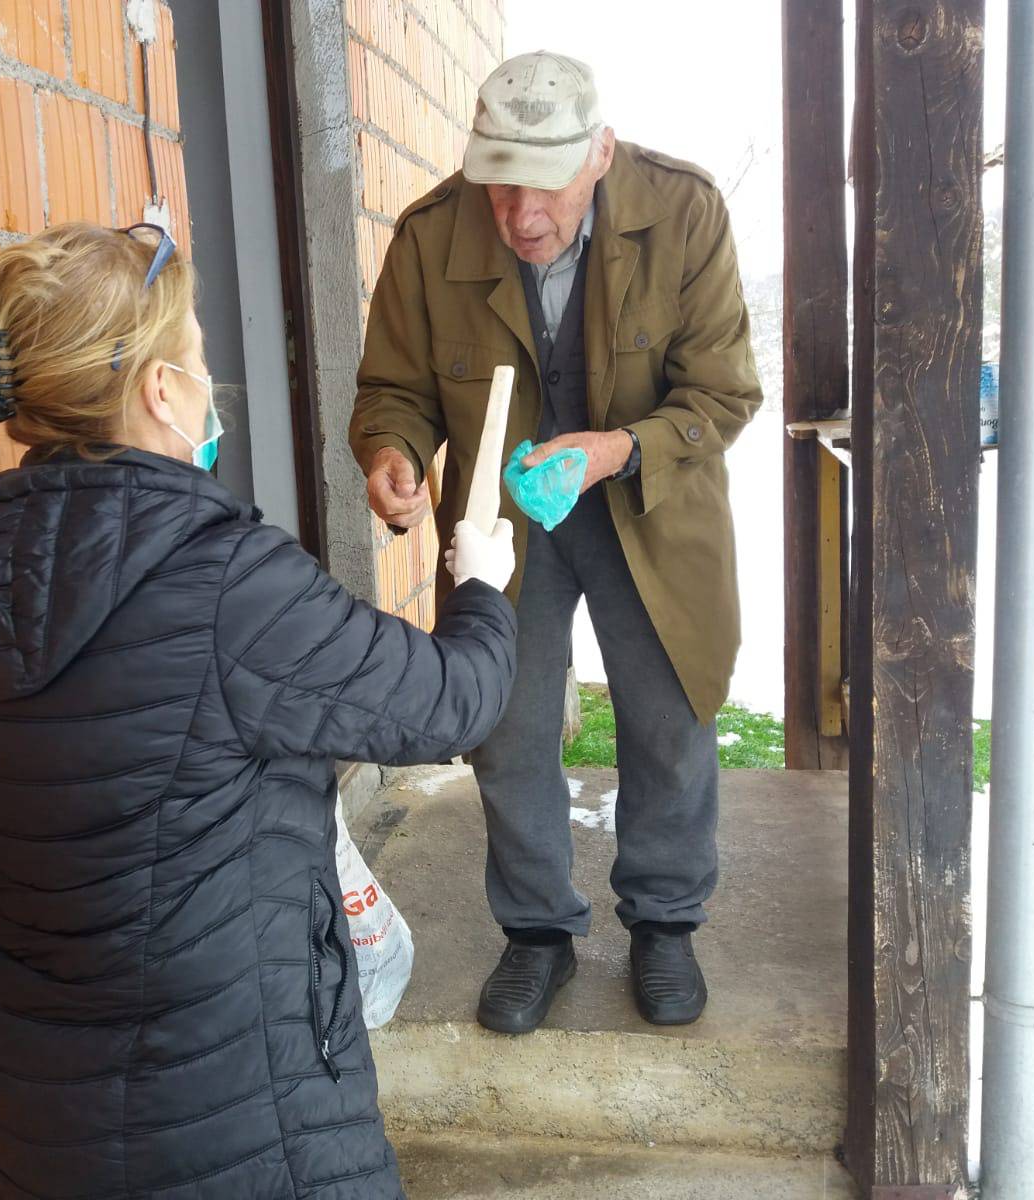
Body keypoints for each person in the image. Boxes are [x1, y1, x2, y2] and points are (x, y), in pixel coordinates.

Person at [0, 222, 518, 1199]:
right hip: (236, 1115)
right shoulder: (224, 575)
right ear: (158, 389)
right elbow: (451, 704)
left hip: (33, 1110)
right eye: (195, 355)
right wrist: (480, 583)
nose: (206, 381)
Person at [350, 51, 762, 1036]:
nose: (518, 216)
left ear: (600, 155)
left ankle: (664, 920)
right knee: (506, 722)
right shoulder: (430, 234)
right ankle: (536, 934)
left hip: (647, 507)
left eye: (542, 188)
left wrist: (619, 447)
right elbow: (393, 390)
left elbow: (723, 392)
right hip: (501, 522)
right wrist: (393, 453)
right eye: (498, 185)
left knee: (667, 713)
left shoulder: (685, 213)